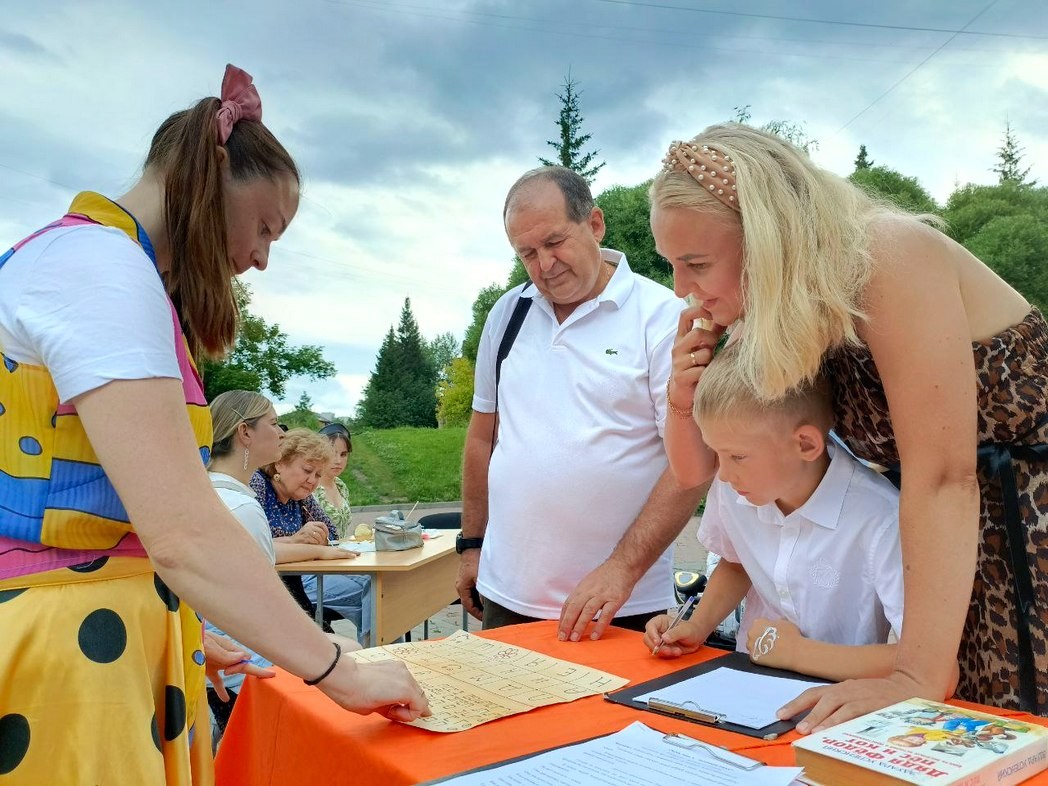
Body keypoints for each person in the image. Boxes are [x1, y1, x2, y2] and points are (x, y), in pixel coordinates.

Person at [0, 64, 426, 783]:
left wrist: (192, 628)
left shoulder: (83, 259)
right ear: (214, 169)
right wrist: (336, 669)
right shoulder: (104, 271)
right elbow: (183, 531)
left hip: (98, 633)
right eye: (265, 227)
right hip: (72, 650)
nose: (260, 258)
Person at [650, 123, 1046, 729]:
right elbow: (702, 472)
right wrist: (682, 399)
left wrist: (914, 675)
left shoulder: (885, 255)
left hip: (1024, 539)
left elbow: (942, 475)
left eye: (696, 263)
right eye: (672, 264)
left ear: (767, 239)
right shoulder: (782, 308)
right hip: (943, 553)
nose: (682, 289)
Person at [455, 166, 705, 642]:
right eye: (527, 253)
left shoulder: (662, 317)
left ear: (594, 224)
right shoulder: (508, 313)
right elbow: (483, 437)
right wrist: (472, 544)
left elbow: (690, 464)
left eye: (554, 242)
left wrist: (621, 568)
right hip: (506, 596)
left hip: (618, 603)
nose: (544, 265)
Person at [644, 344, 909, 683]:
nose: (723, 474)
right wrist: (696, 625)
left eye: (737, 456)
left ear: (806, 445)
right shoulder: (736, 488)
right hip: (748, 682)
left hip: (839, 700)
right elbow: (736, 560)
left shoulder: (881, 520)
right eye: (716, 453)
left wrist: (797, 654)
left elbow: (916, 659)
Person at [205, 391, 358, 736]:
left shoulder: (209, 493)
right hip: (237, 650)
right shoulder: (244, 508)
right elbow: (262, 614)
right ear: (245, 433)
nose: (281, 434)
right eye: (274, 424)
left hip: (215, 645)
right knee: (353, 655)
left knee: (342, 650)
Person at [251, 429, 372, 644]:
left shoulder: (301, 497)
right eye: (307, 470)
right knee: (371, 590)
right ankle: (376, 653)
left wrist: (317, 538)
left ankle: (379, 651)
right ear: (280, 463)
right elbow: (251, 543)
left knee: (378, 588)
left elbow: (331, 534)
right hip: (267, 594)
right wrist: (295, 540)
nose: (312, 481)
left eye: (318, 474)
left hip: (298, 582)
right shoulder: (258, 485)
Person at [316, 422, 354, 540]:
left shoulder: (341, 486)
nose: (338, 461)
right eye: (332, 453)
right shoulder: (309, 488)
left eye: (343, 454)